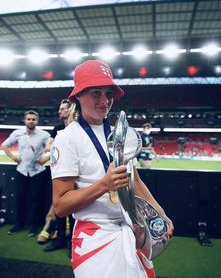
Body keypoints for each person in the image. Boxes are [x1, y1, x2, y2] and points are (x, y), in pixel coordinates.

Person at [50, 60, 174, 278]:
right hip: (94, 237)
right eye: (96, 93)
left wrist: (160, 213)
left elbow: (135, 181)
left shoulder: (120, 133)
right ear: (77, 96)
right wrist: (104, 185)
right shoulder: (66, 139)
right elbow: (60, 206)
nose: (105, 101)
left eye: (108, 94)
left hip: (131, 232)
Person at [1, 110, 50, 236]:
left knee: (35, 200)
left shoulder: (44, 134)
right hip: (21, 170)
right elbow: (4, 145)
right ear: (25, 120)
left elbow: (55, 147)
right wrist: (13, 157)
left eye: (33, 119)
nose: (31, 121)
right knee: (20, 198)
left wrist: (46, 158)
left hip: (37, 172)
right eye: (29, 119)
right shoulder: (18, 133)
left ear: (37, 121)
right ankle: (19, 224)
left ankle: (33, 226)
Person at [38, 99, 76, 255]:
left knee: (74, 209)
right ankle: (60, 239)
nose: (59, 111)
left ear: (70, 110)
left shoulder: (77, 128)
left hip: (75, 173)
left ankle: (73, 244)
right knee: (60, 208)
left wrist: (59, 146)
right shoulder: (58, 128)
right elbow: (48, 147)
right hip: (59, 172)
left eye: (62, 109)